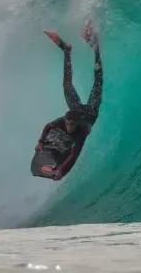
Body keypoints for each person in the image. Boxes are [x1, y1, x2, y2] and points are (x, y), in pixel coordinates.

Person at [35, 20, 102, 180]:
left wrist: (61, 171)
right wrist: (41, 142)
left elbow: (74, 156)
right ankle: (69, 50)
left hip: (83, 114)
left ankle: (76, 50)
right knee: (87, 84)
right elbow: (49, 126)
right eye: (67, 124)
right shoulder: (68, 124)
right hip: (91, 113)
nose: (68, 127)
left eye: (71, 125)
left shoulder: (80, 131)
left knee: (94, 81)